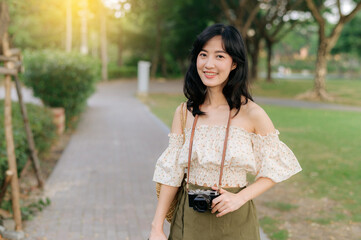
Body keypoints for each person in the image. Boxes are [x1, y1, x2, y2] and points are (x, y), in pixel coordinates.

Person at [149, 23, 302, 240]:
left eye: (219, 56)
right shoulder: (184, 112)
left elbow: (276, 166)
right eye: (203, 55)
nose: (209, 64)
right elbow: (171, 172)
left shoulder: (253, 113)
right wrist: (156, 227)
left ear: (234, 64)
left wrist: (240, 198)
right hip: (189, 219)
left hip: (235, 220)